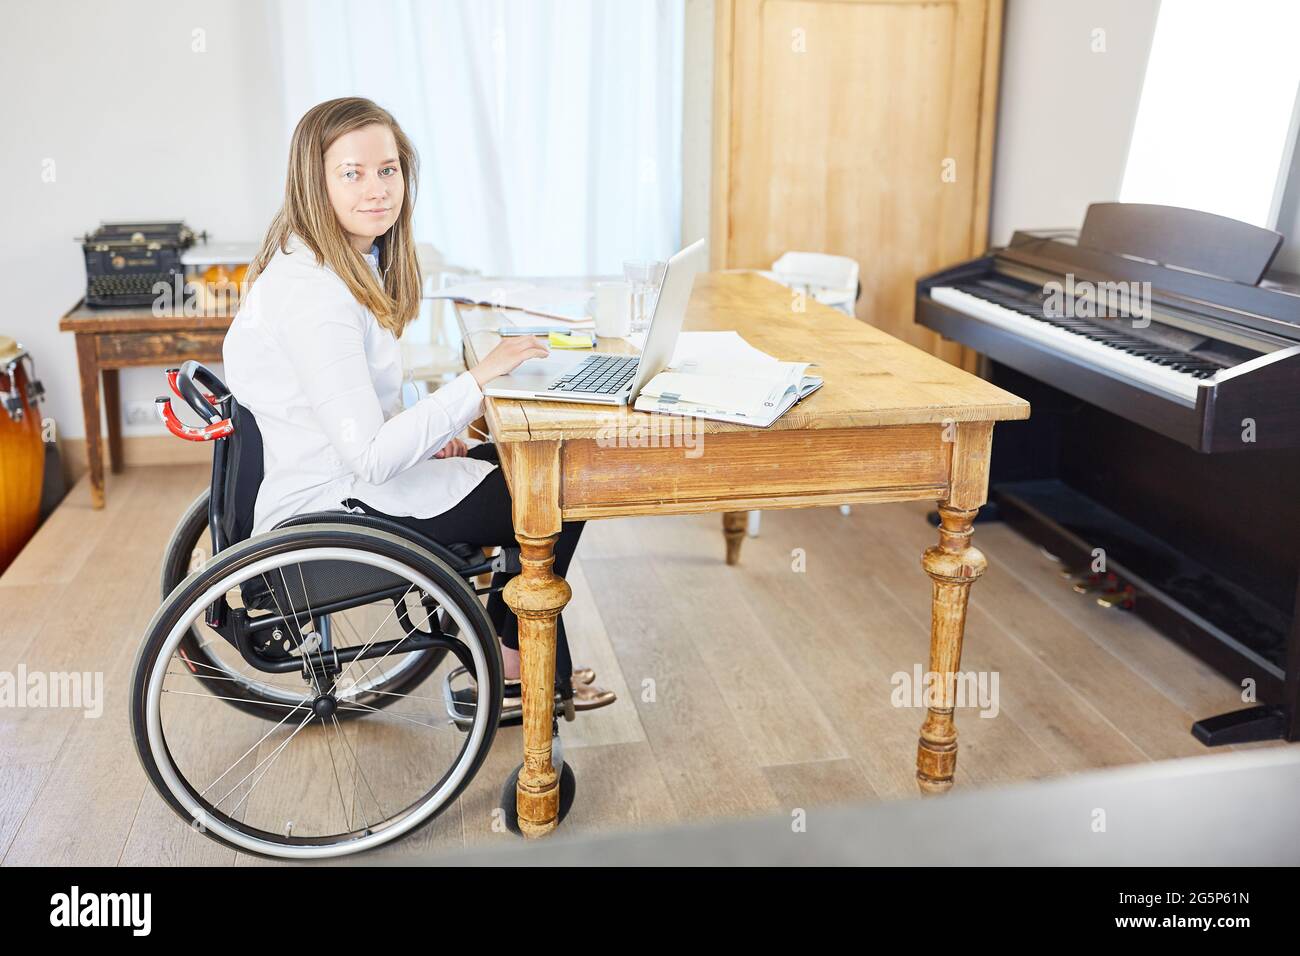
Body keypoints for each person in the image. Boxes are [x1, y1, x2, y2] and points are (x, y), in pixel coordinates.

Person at [222, 96, 614, 715]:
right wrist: (479, 379)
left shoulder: (331, 262)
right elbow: (372, 457)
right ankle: (515, 661)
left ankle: (514, 650)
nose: (378, 189)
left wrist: (435, 434)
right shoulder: (315, 297)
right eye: (351, 173)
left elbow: (355, 411)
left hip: (340, 475)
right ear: (312, 182)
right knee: (559, 487)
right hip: (336, 505)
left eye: (389, 169)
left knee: (532, 462)